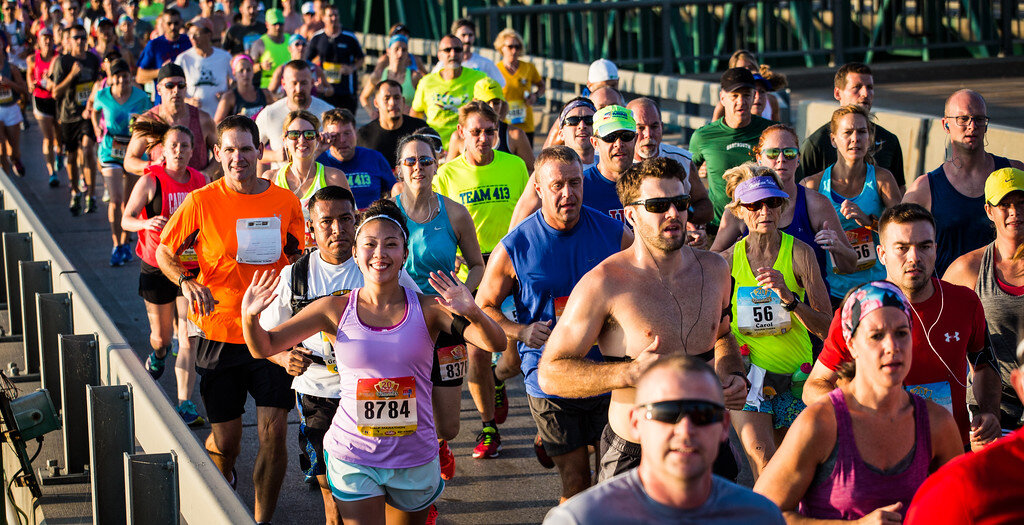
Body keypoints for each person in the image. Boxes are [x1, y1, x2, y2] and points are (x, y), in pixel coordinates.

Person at [241, 198, 506, 525]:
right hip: (354, 455)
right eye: (369, 244)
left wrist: (473, 311)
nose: (380, 253)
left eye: (391, 244)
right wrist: (249, 317)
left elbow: (495, 342)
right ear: (355, 253)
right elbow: (264, 346)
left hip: (414, 455)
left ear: (404, 256)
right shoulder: (333, 309)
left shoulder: (430, 309)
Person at [538, 157, 748, 482]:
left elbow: (722, 336)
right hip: (634, 453)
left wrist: (733, 374)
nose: (673, 214)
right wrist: (629, 372)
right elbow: (551, 374)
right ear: (631, 214)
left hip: (707, 444)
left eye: (680, 203)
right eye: (658, 204)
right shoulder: (604, 283)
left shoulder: (716, 270)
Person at [155, 115, 305, 524]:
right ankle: (221, 482)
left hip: (271, 333)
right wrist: (185, 283)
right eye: (230, 150)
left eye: (247, 148)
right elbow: (164, 252)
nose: (239, 157)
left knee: (275, 435)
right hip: (219, 334)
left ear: (260, 151)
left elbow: (300, 260)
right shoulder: (202, 201)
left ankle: (259, 520)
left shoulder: (285, 202)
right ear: (218, 154)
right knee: (229, 442)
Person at [475, 146, 632, 499]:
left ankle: (553, 443)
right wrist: (520, 331)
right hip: (549, 375)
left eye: (575, 183)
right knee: (577, 484)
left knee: (610, 483)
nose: (568, 193)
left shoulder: (613, 233)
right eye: (558, 185)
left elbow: (645, 281)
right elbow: (484, 305)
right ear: (539, 190)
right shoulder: (515, 245)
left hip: (606, 371)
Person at [256, 187, 419, 524]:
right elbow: (267, 338)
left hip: (374, 390)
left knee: (381, 480)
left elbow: (422, 316)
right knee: (331, 488)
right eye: (326, 221)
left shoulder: (378, 263)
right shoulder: (296, 275)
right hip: (318, 391)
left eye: (346, 219)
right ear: (311, 229)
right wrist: (284, 358)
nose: (337, 229)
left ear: (357, 221)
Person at [754, 281, 964, 521]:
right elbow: (761, 514)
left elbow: (961, 509)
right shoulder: (820, 424)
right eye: (876, 336)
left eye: (901, 333)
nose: (892, 347)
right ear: (851, 344)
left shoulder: (937, 423)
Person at [802, 203, 1002, 451]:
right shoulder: (856, 310)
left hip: (951, 451)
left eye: (924, 246)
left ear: (936, 250)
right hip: (883, 457)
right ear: (882, 254)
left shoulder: (965, 302)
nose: (914, 258)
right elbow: (814, 386)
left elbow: (984, 365)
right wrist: (859, 417)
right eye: (902, 248)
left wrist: (989, 412)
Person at [544, 356, 786, 525]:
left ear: (724, 426)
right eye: (667, 413)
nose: (686, 429)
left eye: (703, 414)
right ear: (636, 423)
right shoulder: (581, 519)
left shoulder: (760, 517)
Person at [719, 166, 831, 478]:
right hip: (752, 377)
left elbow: (827, 327)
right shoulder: (727, 261)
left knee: (792, 473)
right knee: (764, 465)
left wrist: (790, 299)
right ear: (740, 211)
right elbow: (716, 328)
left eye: (773, 202)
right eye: (755, 205)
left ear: (782, 206)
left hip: (796, 377)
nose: (765, 211)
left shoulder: (800, 254)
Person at [393, 134, 484, 480]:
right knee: (406, 416)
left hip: (445, 323)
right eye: (411, 161)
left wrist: (462, 291)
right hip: (399, 324)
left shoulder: (456, 214)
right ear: (399, 169)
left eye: (426, 160)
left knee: (449, 425)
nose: (419, 167)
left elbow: (477, 265)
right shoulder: (389, 214)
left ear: (438, 163)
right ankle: (423, 484)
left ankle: (439, 444)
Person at [121, 124, 207, 426]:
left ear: (193, 149)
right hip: (156, 266)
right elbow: (126, 219)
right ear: (163, 150)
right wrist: (146, 225)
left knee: (189, 338)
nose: (180, 151)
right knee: (163, 337)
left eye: (185, 146)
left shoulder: (201, 180)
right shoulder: (150, 180)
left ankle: (185, 403)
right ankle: (158, 352)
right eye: (174, 145)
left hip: (189, 268)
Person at [712, 125, 858, 284]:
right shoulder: (743, 207)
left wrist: (837, 247)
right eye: (773, 153)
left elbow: (849, 266)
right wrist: (737, 252)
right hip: (751, 301)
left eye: (789, 153)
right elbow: (713, 261)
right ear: (759, 158)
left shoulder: (816, 204)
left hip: (807, 306)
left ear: (798, 160)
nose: (781, 159)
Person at [903, 89, 1024, 276]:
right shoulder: (924, 189)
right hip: (950, 296)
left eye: (979, 119)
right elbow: (900, 243)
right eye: (963, 119)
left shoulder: (1015, 174)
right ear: (946, 124)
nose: (972, 125)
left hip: (1007, 295)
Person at [905, 340, 1024, 524]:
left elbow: (983, 363)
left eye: (900, 334)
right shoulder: (964, 488)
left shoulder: (960, 488)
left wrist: (990, 413)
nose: (891, 346)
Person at [943, 168, 1024, 431]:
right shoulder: (968, 269)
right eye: (1005, 205)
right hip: (992, 410)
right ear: (989, 210)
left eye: (1022, 203)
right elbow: (932, 323)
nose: (1015, 212)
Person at [802, 105, 902, 307]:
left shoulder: (882, 179)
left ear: (870, 137)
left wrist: (868, 221)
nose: (855, 138)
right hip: (830, 288)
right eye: (847, 132)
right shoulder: (813, 184)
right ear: (833, 139)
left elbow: (902, 232)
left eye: (862, 132)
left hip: (875, 285)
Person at [431, 101, 528, 269]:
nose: (483, 138)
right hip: (465, 269)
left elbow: (529, 214)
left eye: (490, 131)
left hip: (508, 263)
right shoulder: (445, 174)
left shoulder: (516, 166)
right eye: (476, 132)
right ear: (461, 131)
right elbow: (434, 224)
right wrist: (448, 254)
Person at [511, 104, 637, 226]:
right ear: (594, 142)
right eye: (610, 137)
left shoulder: (650, 183)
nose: (619, 144)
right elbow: (534, 231)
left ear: (635, 139)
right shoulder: (576, 185)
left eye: (626, 136)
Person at [689, 67, 773, 228]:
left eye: (746, 95)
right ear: (722, 98)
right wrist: (690, 216)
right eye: (734, 96)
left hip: (760, 226)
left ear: (754, 96)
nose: (741, 102)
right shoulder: (703, 136)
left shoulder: (769, 132)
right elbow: (685, 178)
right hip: (717, 228)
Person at [799, 62, 905, 186]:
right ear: (837, 93)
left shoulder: (888, 140)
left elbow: (900, 189)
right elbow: (801, 192)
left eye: (870, 87)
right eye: (857, 87)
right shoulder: (815, 145)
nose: (865, 94)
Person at [91, 59, 153, 266]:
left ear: (130, 76)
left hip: (135, 151)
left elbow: (149, 119)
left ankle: (126, 242)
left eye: (125, 75)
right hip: (111, 150)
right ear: (111, 78)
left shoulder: (141, 96)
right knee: (116, 199)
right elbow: (93, 109)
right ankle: (116, 244)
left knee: (129, 202)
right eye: (117, 76)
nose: (122, 80)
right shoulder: (102, 95)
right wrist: (96, 127)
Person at [262, 109, 348, 250]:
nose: (301, 140)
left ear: (317, 139)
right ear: (284, 139)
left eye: (308, 135)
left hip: (322, 260)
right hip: (284, 262)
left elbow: (349, 222)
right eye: (294, 134)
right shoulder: (270, 179)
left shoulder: (334, 177)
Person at [628, 97, 713, 227]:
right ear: (628, 129)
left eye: (654, 126)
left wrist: (687, 217)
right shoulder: (616, 161)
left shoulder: (681, 159)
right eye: (640, 128)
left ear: (662, 127)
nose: (648, 134)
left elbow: (706, 208)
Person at [124, 63, 219, 179]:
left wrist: (206, 174)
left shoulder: (203, 119)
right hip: (162, 191)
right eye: (169, 85)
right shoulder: (148, 121)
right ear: (159, 89)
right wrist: (152, 166)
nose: (176, 90)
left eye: (181, 85)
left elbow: (221, 153)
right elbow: (129, 161)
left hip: (196, 191)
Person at [50, 24, 101, 215]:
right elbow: (55, 93)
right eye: (76, 38)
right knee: (71, 157)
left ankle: (92, 195)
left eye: (83, 37)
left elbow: (98, 85)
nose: (80, 41)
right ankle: (74, 191)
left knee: (88, 149)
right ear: (69, 41)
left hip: (87, 114)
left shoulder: (93, 60)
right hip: (68, 116)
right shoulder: (62, 62)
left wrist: (94, 106)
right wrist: (71, 75)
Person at [410, 33, 486, 150]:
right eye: (447, 50)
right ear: (439, 55)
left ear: (463, 53)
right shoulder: (426, 82)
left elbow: (494, 108)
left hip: (467, 147)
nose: (453, 54)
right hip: (434, 147)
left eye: (457, 50)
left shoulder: (479, 78)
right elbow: (415, 115)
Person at [445, 77, 534, 173]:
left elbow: (533, 171)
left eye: (496, 102)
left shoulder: (515, 135)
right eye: (486, 102)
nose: (492, 107)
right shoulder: (458, 138)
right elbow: (448, 172)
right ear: (475, 101)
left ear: (502, 103)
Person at [255, 59, 332, 167]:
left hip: (320, 181)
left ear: (311, 83)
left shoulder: (327, 113)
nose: (299, 89)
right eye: (294, 83)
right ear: (283, 84)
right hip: (280, 182)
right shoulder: (269, 114)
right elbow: (253, 151)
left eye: (304, 83)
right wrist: (275, 155)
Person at [316, 108, 395, 210]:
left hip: (372, 219)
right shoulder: (318, 161)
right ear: (326, 136)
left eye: (347, 133)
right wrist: (317, 150)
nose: (342, 140)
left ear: (355, 133)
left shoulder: (374, 158)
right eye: (335, 135)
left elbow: (395, 191)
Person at [303, 5, 363, 113]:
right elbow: (307, 61)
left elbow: (361, 59)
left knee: (347, 124)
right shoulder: (317, 37)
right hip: (325, 89)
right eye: (330, 15)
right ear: (323, 18)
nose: (333, 18)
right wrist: (316, 74)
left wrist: (351, 68)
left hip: (346, 90)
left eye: (336, 15)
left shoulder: (349, 37)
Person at [357, 79, 427, 169]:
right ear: (376, 103)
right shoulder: (364, 135)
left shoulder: (419, 129)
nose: (393, 102)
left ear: (403, 101)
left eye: (397, 98)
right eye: (387, 98)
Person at [494, 28, 543, 144]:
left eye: (518, 47)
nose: (514, 50)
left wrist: (535, 96)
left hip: (525, 123)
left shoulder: (528, 67)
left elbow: (542, 86)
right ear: (502, 48)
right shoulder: (495, 70)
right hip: (504, 122)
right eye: (510, 47)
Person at [174, 18, 231, 115]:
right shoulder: (183, 58)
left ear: (208, 35)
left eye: (196, 34)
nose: (192, 37)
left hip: (220, 117)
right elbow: (173, 87)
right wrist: (188, 101)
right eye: (190, 34)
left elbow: (237, 83)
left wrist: (227, 95)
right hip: (192, 116)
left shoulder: (224, 57)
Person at [27, 27, 61, 185]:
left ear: (53, 40)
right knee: (47, 138)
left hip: (56, 99)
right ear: (39, 41)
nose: (47, 41)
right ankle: (51, 172)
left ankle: (59, 153)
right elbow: (29, 74)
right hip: (41, 99)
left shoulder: (58, 58)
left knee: (59, 137)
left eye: (49, 38)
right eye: (44, 38)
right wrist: (31, 84)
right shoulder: (33, 59)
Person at [358, 33, 421, 117]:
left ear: (407, 53)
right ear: (388, 51)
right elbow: (363, 97)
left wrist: (414, 110)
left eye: (404, 50)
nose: (400, 53)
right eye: (396, 49)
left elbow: (427, 99)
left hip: (408, 125)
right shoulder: (378, 76)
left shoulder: (414, 76)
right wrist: (372, 113)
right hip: (385, 126)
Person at [432, 18, 504, 86]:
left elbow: (501, 85)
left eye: (470, 35)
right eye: (463, 35)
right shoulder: (443, 65)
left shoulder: (485, 63)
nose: (467, 40)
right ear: (454, 37)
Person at [135, 8, 191, 86]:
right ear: (163, 24)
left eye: (176, 23)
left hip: (186, 94)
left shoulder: (190, 42)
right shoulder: (154, 44)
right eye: (169, 23)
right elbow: (140, 77)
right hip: (163, 96)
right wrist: (163, 71)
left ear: (181, 22)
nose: (173, 27)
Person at [213, 54, 272, 122]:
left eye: (248, 70)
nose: (245, 74)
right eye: (241, 71)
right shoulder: (229, 97)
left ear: (253, 71)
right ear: (234, 74)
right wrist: (235, 121)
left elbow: (274, 115)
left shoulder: (265, 93)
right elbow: (217, 124)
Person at [0, 45, 27, 177]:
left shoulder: (11, 68)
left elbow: (23, 89)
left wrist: (9, 83)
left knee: (14, 151)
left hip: (11, 109)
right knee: (1, 149)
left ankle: (15, 159)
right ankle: (6, 182)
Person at [249, 9, 290, 89]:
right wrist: (261, 66)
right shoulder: (259, 43)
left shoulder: (290, 40)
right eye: (274, 24)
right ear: (267, 24)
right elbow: (249, 68)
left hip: (289, 86)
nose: (278, 27)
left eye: (280, 24)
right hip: (268, 89)